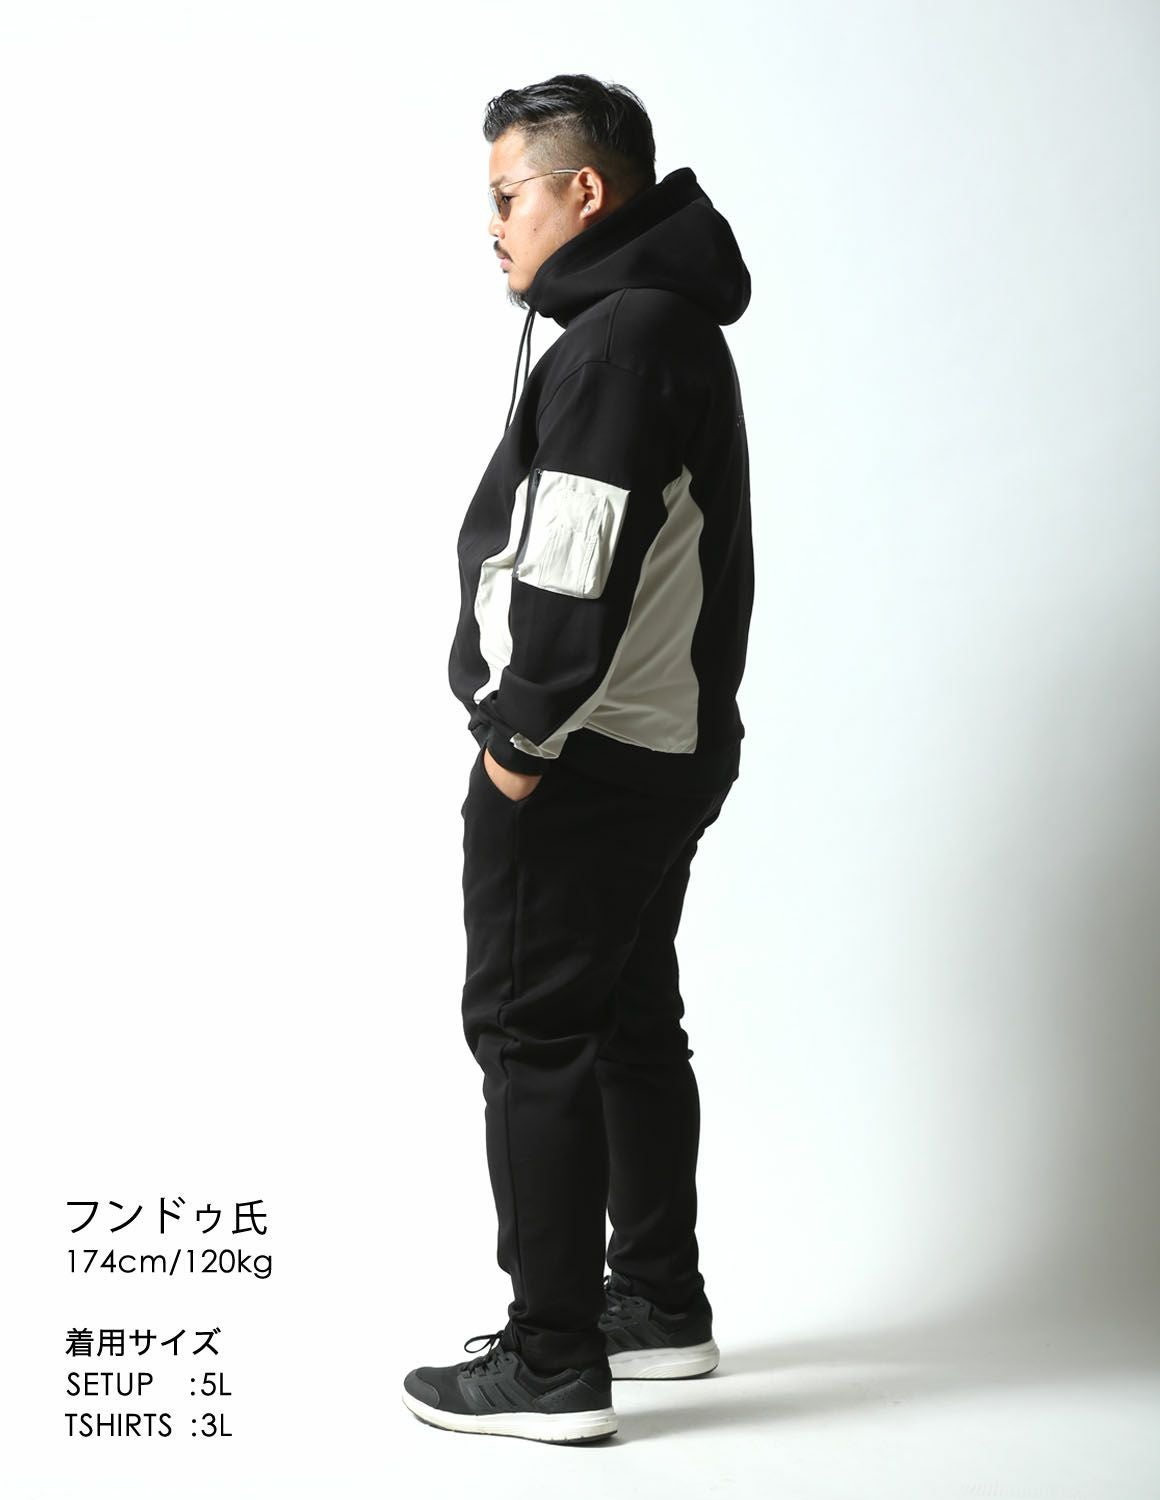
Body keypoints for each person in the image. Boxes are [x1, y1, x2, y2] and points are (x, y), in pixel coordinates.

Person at [401, 72, 754, 1444]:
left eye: (508, 195)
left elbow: (571, 565)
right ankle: (656, 1302)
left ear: (583, 191)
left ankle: (551, 1359)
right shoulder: (660, 326)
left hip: (583, 754)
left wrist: (517, 740)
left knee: (530, 1031)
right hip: (660, 746)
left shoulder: (615, 342)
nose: (492, 225)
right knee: (626, 1019)